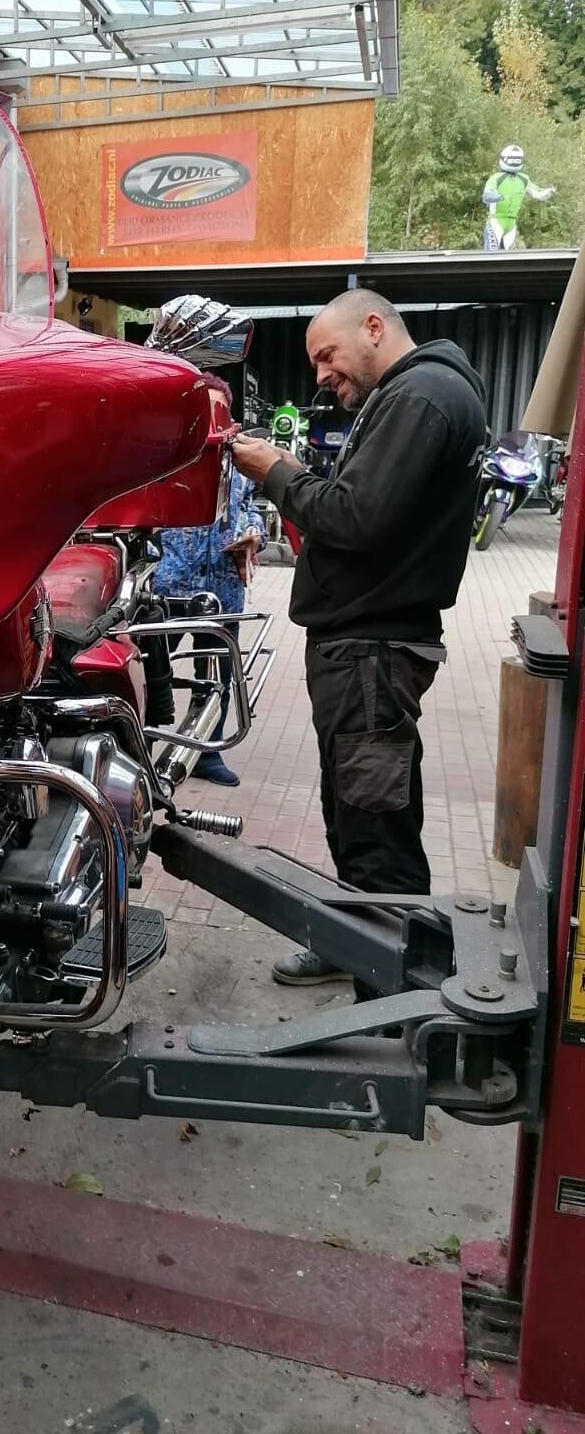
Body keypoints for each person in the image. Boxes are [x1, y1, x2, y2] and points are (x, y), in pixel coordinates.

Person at [231, 289, 487, 985]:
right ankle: (355, 943)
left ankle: (391, 1002)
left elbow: (353, 517)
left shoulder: (421, 397)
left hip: (373, 656)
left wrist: (277, 473)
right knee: (354, 811)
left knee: (375, 828)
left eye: (327, 355)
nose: (320, 375)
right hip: (363, 652)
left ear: (374, 327)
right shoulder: (414, 395)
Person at [152, 435, 265, 786]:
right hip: (169, 589)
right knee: (152, 673)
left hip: (222, 592)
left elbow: (250, 509)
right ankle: (139, 746)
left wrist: (254, 534)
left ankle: (206, 751)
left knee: (217, 677)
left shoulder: (239, 465)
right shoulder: (168, 459)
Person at [482, 144, 555, 252]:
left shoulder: (523, 179)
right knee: (491, 253)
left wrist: (549, 191)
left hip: (512, 221)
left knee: (511, 255)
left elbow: (538, 193)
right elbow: (486, 196)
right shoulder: (496, 178)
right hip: (496, 220)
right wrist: (497, 197)